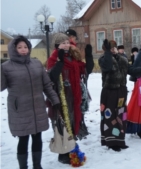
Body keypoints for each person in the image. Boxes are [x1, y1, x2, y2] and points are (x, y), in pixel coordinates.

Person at [1, 35, 60, 169]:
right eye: (19, 47)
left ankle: (37, 166)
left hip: (38, 107)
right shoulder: (6, 67)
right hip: (19, 109)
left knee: (37, 137)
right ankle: (23, 167)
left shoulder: (36, 64)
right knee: (23, 139)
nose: (23, 50)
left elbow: (46, 85)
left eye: (25, 47)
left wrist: (55, 100)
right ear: (13, 49)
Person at [46, 33, 94, 165]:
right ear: (57, 45)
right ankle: (63, 154)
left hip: (73, 96)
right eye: (63, 43)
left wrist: (89, 56)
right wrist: (60, 62)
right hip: (60, 98)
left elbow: (85, 71)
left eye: (67, 42)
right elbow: (51, 78)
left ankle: (70, 149)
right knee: (61, 124)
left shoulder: (73, 59)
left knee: (72, 123)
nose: (66, 45)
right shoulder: (53, 59)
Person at [99, 39, 141, 152]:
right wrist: (107, 53)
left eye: (114, 48)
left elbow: (130, 70)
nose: (113, 50)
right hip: (109, 91)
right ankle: (111, 142)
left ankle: (120, 140)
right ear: (106, 50)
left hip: (121, 91)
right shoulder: (103, 59)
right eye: (110, 48)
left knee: (121, 116)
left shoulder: (123, 59)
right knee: (110, 117)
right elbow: (108, 66)